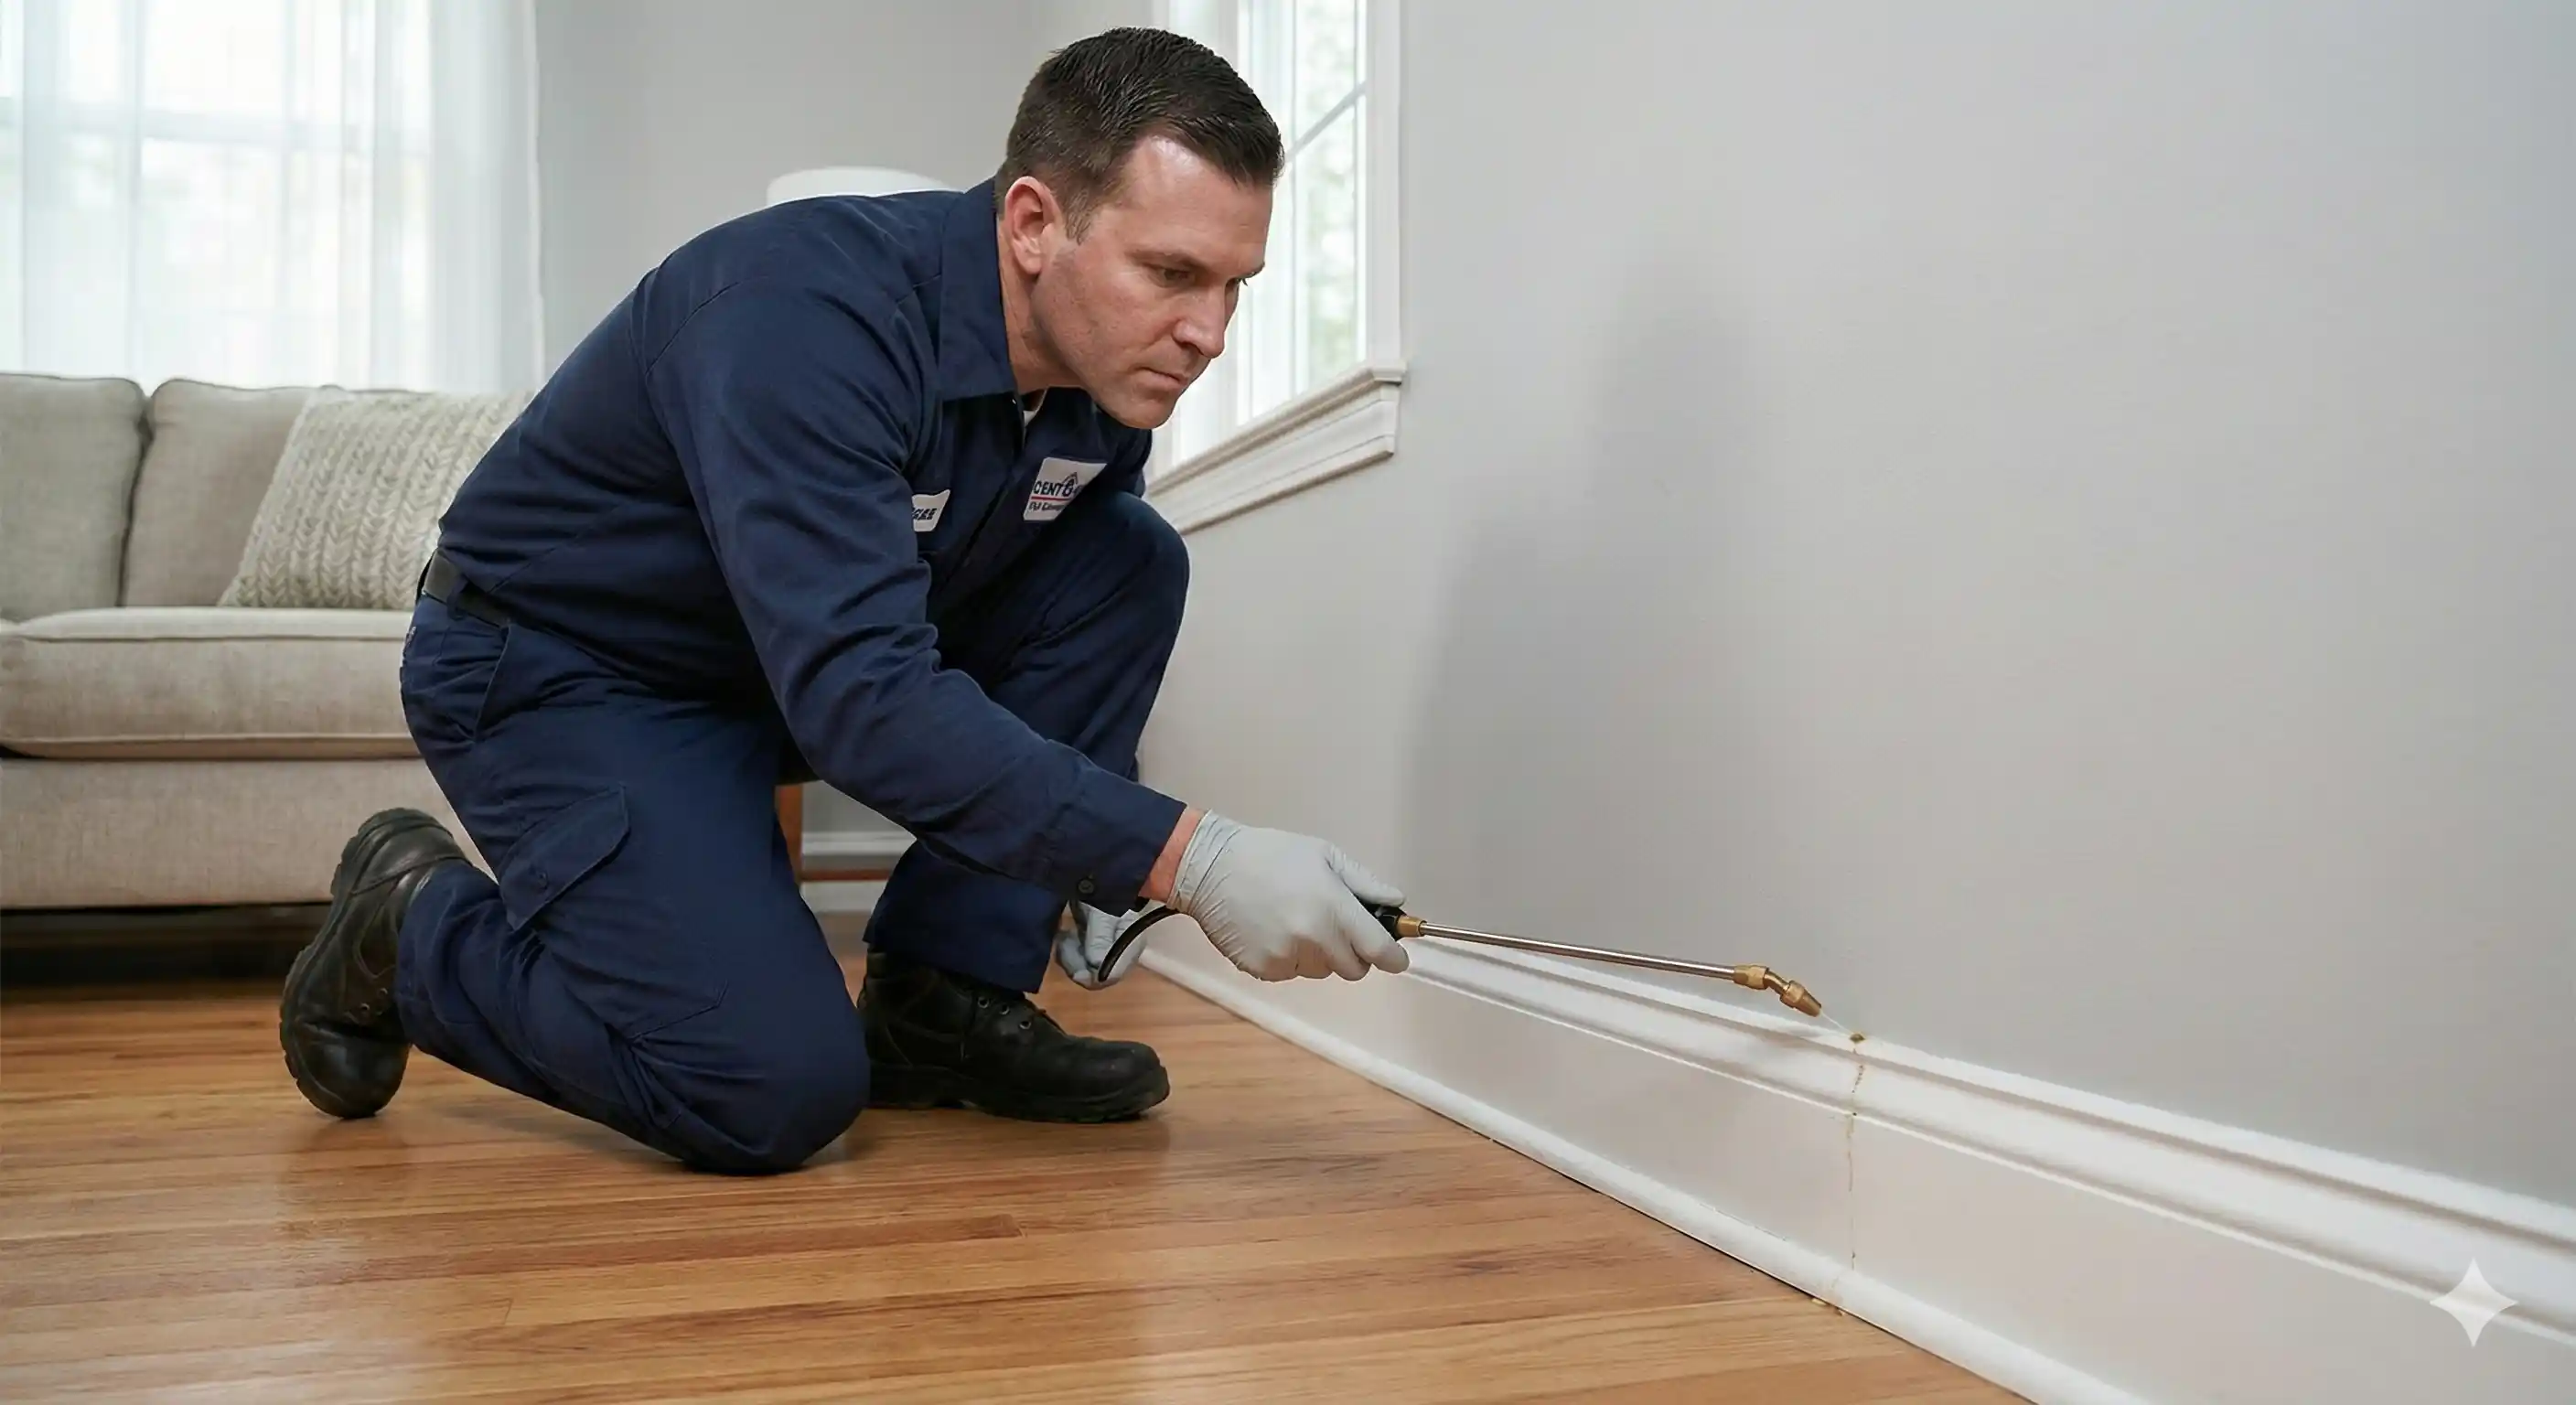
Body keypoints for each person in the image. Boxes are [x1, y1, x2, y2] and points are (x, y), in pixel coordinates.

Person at [275, 28, 1411, 1174]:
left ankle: (944, 1004)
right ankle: (408, 922)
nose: (1208, 334)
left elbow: (979, 642)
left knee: (1127, 559)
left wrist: (1104, 854)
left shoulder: (1105, 382)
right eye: (1169, 274)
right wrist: (1186, 857)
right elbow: (866, 699)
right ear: (1031, 225)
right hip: (563, 671)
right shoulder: (802, 316)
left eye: (1232, 288)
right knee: (765, 1087)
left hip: (761, 669)